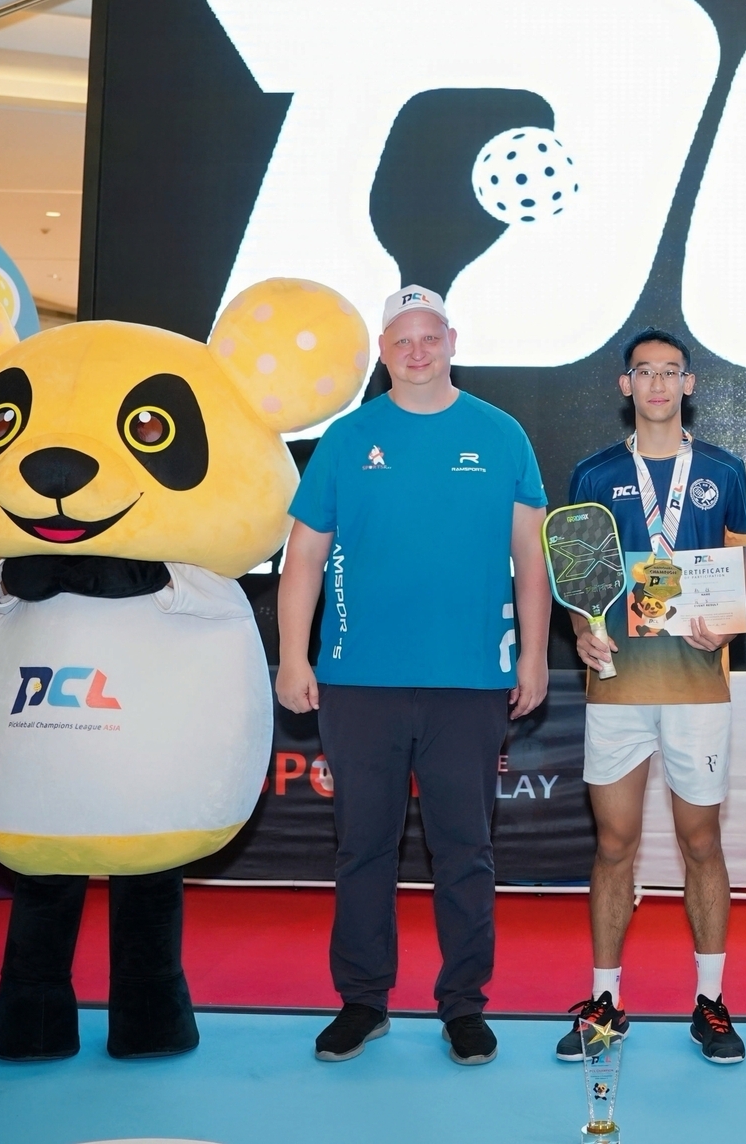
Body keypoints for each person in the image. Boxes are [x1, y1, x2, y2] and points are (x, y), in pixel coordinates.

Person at [275, 285, 552, 1066]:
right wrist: (293, 654)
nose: (418, 351)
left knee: (465, 851)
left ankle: (463, 1006)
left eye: (430, 336)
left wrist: (534, 654)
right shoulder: (347, 438)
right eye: (403, 339)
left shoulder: (501, 434)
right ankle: (363, 1002)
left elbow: (530, 559)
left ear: (452, 341)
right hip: (359, 681)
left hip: (471, 681)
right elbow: (302, 557)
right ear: (384, 351)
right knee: (363, 848)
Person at [557, 328, 746, 1066]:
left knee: (701, 843)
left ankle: (711, 1002)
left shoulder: (725, 471)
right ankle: (604, 1002)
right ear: (626, 385)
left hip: (698, 685)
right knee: (614, 845)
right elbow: (577, 578)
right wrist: (582, 635)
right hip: (618, 685)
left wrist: (727, 624)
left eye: (671, 372)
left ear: (689, 383)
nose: (659, 384)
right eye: (645, 372)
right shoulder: (594, 472)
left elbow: (739, 571)